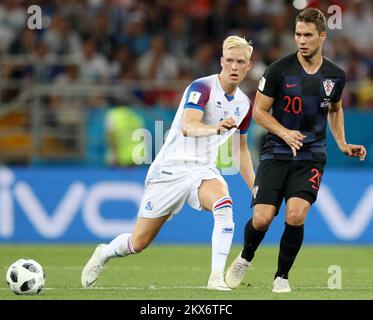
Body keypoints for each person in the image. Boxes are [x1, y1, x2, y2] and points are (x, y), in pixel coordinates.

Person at [81, 35, 256, 291]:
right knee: (138, 242)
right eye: (229, 60)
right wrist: (216, 128)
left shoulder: (244, 105)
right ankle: (104, 252)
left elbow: (241, 150)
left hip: (202, 171)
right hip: (170, 170)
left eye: (240, 62)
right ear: (221, 61)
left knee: (224, 205)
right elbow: (188, 126)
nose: (234, 67)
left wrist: (255, 187)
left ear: (248, 66)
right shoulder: (202, 88)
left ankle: (216, 277)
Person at [225, 8, 367, 293]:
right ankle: (245, 256)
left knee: (296, 214)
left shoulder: (335, 76)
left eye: (307, 35)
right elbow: (260, 112)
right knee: (262, 218)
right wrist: (284, 132)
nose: (301, 40)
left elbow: (335, 109)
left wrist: (341, 143)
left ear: (322, 36)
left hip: (311, 155)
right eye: (298, 34)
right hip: (276, 151)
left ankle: (281, 276)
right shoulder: (279, 69)